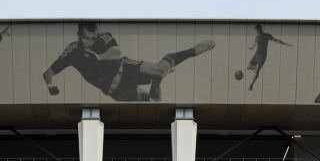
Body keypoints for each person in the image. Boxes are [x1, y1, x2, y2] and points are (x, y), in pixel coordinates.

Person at [43, 22, 215, 101]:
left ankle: (192, 51)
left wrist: (100, 57)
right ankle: (157, 83)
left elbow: (116, 52)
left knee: (159, 69)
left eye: (93, 37)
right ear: (79, 36)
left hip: (124, 68)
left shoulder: (103, 37)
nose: (91, 41)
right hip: (116, 90)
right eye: (87, 39)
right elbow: (48, 73)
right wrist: (50, 86)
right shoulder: (72, 51)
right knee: (152, 106)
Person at [247, 24, 291, 91]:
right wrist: (251, 47)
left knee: (258, 69)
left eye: (258, 30)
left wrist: (285, 44)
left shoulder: (267, 35)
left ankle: (251, 84)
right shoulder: (257, 36)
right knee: (248, 67)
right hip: (256, 54)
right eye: (256, 31)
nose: (257, 32)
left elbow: (276, 40)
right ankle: (254, 69)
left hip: (263, 55)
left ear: (260, 28)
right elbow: (255, 43)